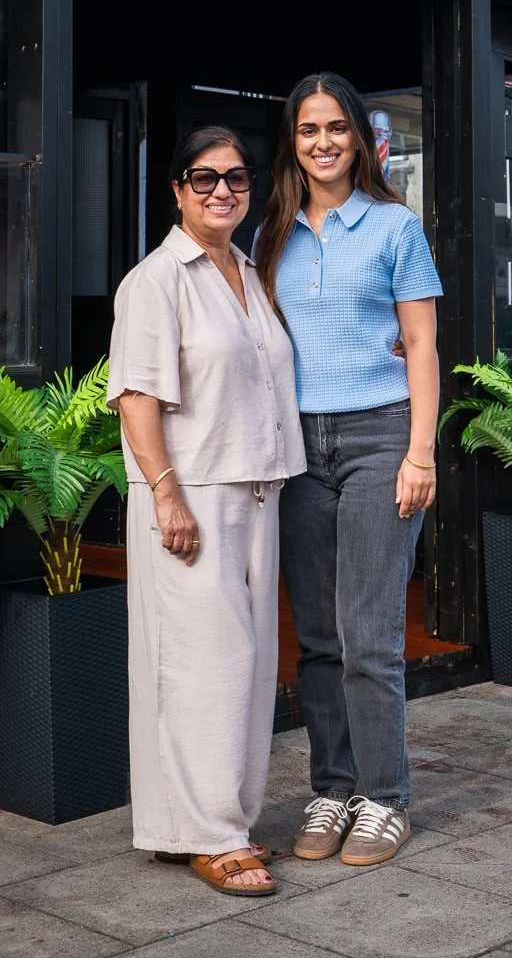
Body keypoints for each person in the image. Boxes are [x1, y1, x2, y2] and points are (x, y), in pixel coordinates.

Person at [107, 126, 305, 897]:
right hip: (192, 495)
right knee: (201, 668)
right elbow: (136, 397)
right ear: (177, 189)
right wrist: (166, 494)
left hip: (258, 487)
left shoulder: (248, 272)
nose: (222, 190)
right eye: (204, 177)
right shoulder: (155, 281)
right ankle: (210, 834)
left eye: (236, 177)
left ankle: (219, 822)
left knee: (247, 666)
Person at [254, 72, 442, 867]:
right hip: (298, 449)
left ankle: (386, 799)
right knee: (319, 639)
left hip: (379, 438)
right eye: (309, 130)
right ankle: (333, 789)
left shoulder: (395, 227)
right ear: (293, 142)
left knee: (369, 637)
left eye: (336, 128)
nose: (323, 142)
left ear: (360, 139)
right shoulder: (272, 234)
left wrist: (421, 452)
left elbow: (422, 345)